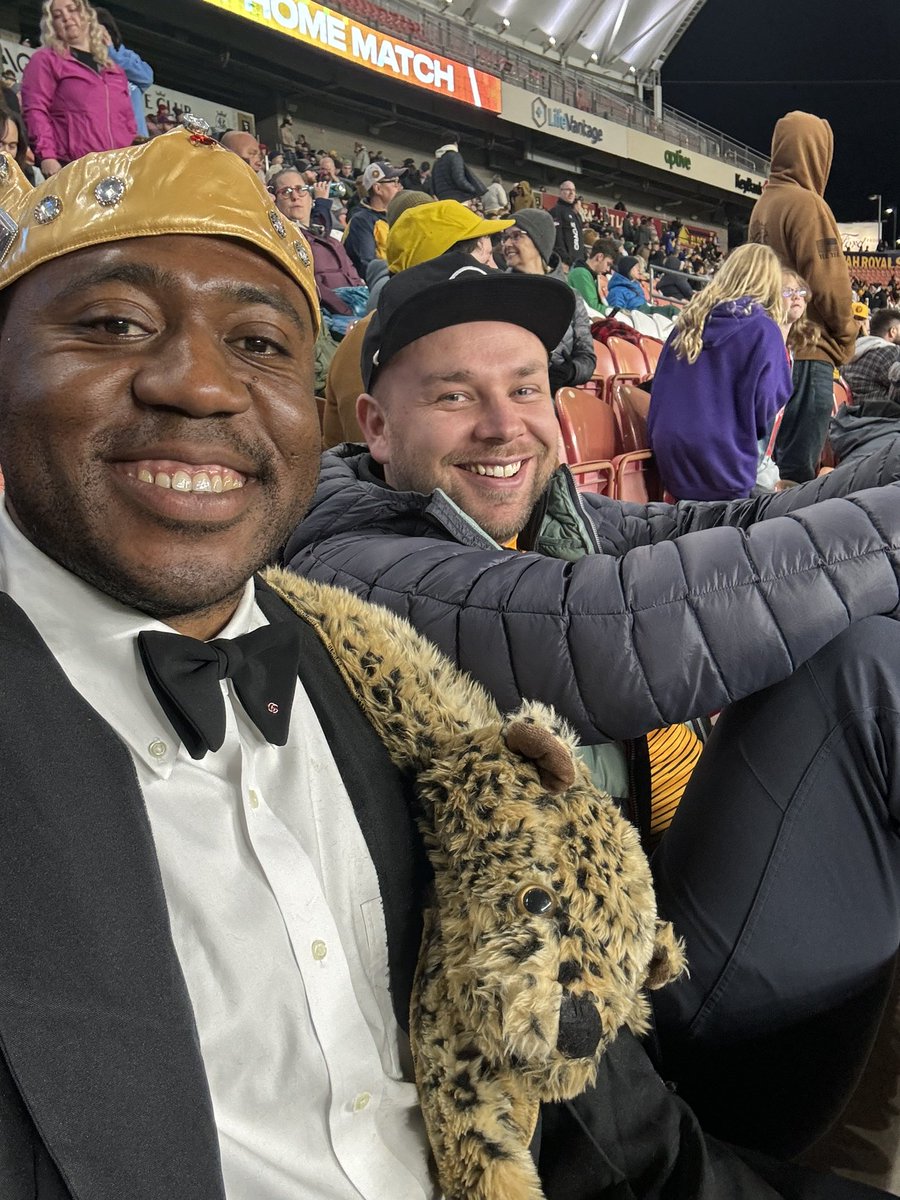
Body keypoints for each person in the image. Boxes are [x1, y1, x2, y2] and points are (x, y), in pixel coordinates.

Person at [3, 129, 875, 1200]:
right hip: (662, 997)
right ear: (371, 426)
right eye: (116, 324)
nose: (200, 384)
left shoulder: (347, 654)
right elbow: (619, 627)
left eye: (262, 344)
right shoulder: (373, 572)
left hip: (599, 1016)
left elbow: (612, 1139)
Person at [284, 248, 900, 1172]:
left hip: (663, 924)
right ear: (375, 425)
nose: (504, 426)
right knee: (865, 665)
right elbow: (613, 629)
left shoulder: (546, 520)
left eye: (526, 389)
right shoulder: (353, 554)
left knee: (855, 625)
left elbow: (736, 531)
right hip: (614, 1050)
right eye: (455, 396)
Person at [321, 198, 510, 446]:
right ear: (449, 269)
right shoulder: (387, 341)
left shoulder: (373, 327)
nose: (496, 269)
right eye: (484, 261)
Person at [749, 112, 857, 484]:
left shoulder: (763, 204)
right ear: (816, 152)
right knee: (797, 472)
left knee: (770, 468)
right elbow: (829, 285)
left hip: (774, 348)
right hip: (810, 352)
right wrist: (846, 337)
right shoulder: (808, 205)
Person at [647, 243, 793, 501]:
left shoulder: (688, 321)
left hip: (670, 455)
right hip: (725, 463)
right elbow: (772, 399)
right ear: (770, 283)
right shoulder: (763, 329)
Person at [20, 0, 136, 176]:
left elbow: (128, 120)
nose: (67, 17)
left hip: (118, 168)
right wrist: (47, 156)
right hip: (73, 167)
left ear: (87, 15)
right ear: (52, 25)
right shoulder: (46, 60)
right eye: (58, 16)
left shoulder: (114, 70)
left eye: (72, 10)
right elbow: (35, 109)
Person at [500, 208, 595, 391]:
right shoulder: (497, 290)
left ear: (539, 241)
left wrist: (571, 371)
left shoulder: (571, 296)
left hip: (553, 397)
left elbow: (587, 358)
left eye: (516, 236)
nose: (507, 244)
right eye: (505, 237)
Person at [94, 6, 152, 139]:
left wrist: (112, 54)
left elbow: (147, 78)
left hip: (137, 142)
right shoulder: (84, 63)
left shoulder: (128, 56)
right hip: (105, 141)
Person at [342, 159, 403, 276]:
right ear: (378, 188)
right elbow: (368, 266)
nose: (399, 187)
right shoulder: (362, 221)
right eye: (394, 182)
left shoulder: (396, 215)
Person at [842, 306, 900, 414]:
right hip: (885, 420)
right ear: (893, 331)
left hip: (855, 418)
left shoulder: (855, 349)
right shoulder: (889, 352)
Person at [606, 253, 679, 319]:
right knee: (671, 311)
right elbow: (616, 312)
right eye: (636, 267)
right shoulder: (617, 291)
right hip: (641, 316)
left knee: (672, 309)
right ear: (628, 269)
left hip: (647, 310)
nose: (639, 270)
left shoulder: (634, 284)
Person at [430, 131, 486, 205]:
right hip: (459, 199)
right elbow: (459, 179)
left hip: (443, 200)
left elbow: (433, 185)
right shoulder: (455, 156)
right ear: (455, 143)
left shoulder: (437, 162)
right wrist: (474, 190)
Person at [566, 238, 618, 310]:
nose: (608, 269)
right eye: (608, 264)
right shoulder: (581, 273)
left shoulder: (591, 275)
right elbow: (593, 307)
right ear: (600, 257)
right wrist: (616, 312)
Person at [549, 179, 583, 267]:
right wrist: (566, 260)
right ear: (561, 192)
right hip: (566, 264)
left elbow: (579, 238)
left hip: (577, 263)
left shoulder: (574, 214)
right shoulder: (556, 211)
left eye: (573, 190)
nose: (571, 193)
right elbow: (557, 239)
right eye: (568, 190)